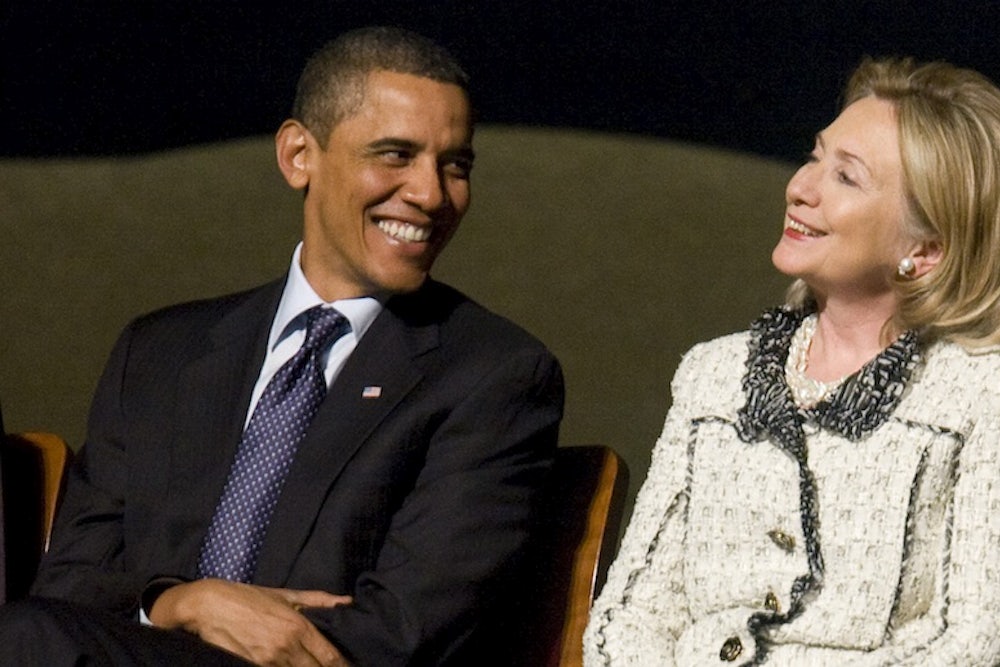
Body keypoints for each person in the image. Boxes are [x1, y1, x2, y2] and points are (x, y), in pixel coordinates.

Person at [0, 26, 564, 666]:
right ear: (299, 155)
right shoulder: (159, 354)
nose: (431, 194)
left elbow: (406, 630)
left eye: (455, 166)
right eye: (395, 155)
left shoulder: (493, 374)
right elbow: (71, 587)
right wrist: (184, 603)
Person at [585, 57, 1000, 665]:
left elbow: (970, 643)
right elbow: (632, 614)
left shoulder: (979, 396)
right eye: (814, 157)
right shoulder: (715, 376)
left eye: (846, 177)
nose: (801, 188)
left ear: (926, 249)